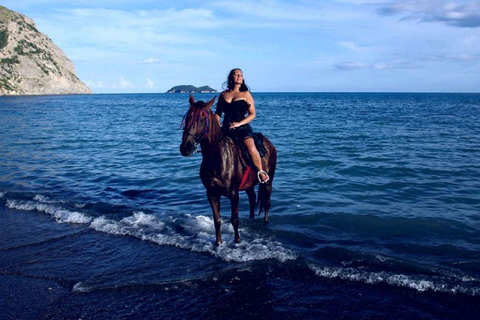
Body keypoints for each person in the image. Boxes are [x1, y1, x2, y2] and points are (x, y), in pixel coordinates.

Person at [214, 68, 269, 184]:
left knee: (250, 146)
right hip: (226, 128)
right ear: (231, 77)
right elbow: (218, 113)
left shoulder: (246, 94)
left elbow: (253, 114)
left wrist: (239, 123)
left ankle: (260, 171)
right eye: (236, 74)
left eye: (241, 75)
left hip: (242, 128)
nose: (239, 76)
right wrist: (216, 122)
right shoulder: (223, 94)